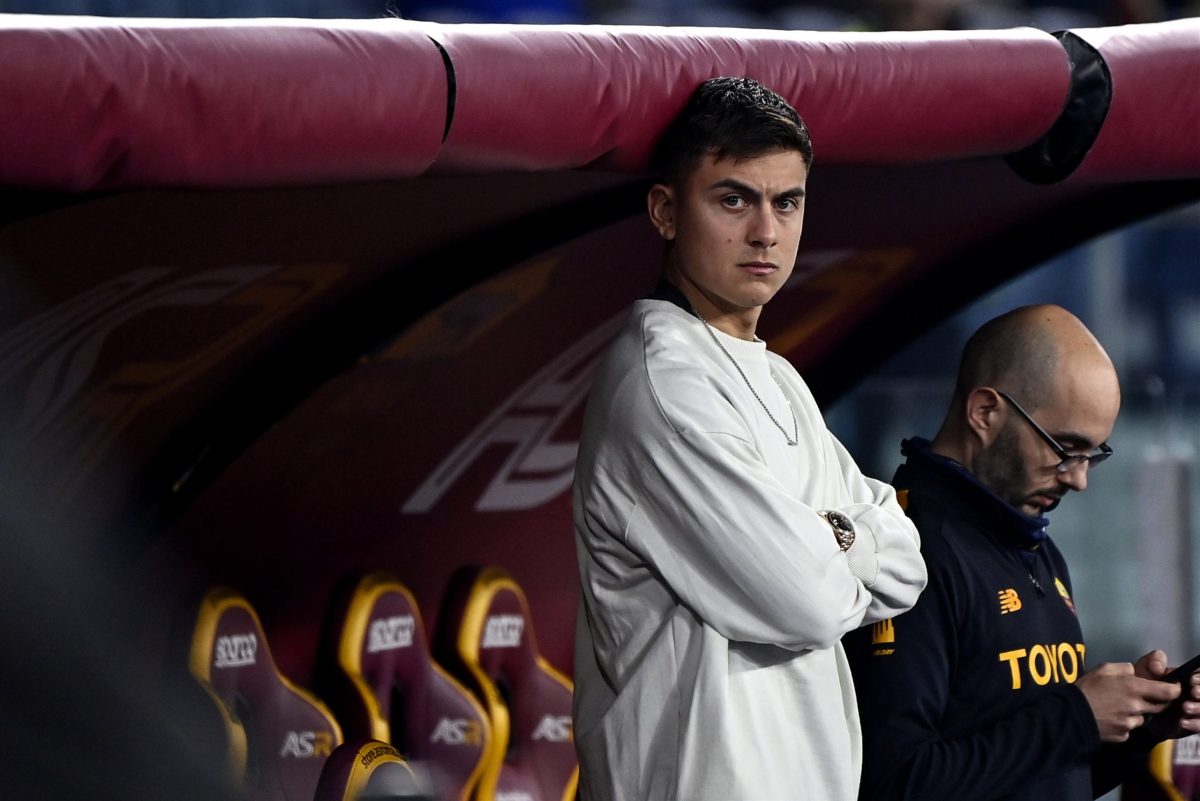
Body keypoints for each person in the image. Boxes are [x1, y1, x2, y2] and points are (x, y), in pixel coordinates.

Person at [570, 76, 928, 801]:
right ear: (666, 211)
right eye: (734, 200)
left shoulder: (779, 376)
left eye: (786, 202)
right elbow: (807, 600)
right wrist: (849, 536)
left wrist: (828, 541)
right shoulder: (664, 383)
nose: (766, 231)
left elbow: (908, 564)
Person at [844, 304, 1200, 801]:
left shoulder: (1035, 544)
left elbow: (1044, 777)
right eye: (1065, 448)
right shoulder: (905, 552)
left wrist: (1139, 727)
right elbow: (894, 783)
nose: (1078, 478)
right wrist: (1077, 718)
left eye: (1093, 455)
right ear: (985, 413)